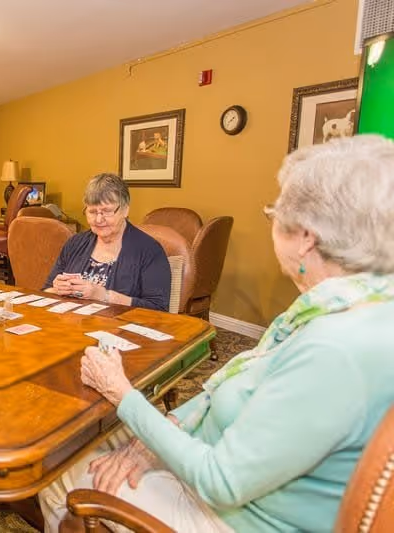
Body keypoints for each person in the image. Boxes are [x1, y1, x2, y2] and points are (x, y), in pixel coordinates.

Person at [39, 135, 394, 532]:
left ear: (306, 235)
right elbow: (226, 394)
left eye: (274, 211)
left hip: (232, 515)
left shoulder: (334, 348)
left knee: (56, 474)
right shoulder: (346, 312)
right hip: (218, 458)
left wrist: (121, 392)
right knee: (73, 444)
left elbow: (221, 482)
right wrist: (168, 428)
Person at [44, 173, 171, 311]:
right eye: (92, 212)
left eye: (107, 211)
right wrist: (56, 289)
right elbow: (45, 291)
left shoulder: (150, 250)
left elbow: (159, 309)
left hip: (121, 329)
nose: (98, 219)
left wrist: (104, 296)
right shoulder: (75, 243)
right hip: (73, 326)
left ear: (125, 210)